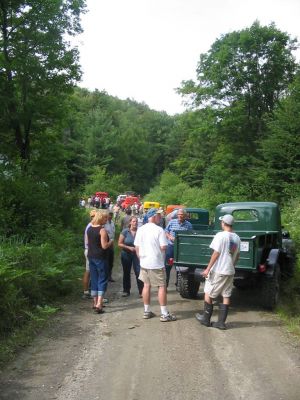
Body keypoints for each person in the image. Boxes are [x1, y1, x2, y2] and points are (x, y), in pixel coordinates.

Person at [195, 214, 240, 330]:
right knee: (226, 294)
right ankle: (221, 322)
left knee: (208, 292)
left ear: (223, 223)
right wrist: (232, 266)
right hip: (230, 271)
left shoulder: (220, 236)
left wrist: (207, 269)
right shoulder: (237, 238)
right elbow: (237, 255)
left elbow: (216, 253)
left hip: (219, 270)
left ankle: (205, 319)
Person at [134, 208, 176, 322]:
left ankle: (147, 311)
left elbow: (137, 247)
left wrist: (140, 259)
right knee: (161, 287)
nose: (160, 217)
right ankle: (164, 314)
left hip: (144, 262)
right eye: (158, 215)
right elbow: (163, 247)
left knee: (146, 286)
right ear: (153, 216)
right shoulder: (159, 230)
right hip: (156, 263)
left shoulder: (141, 229)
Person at [87, 210, 114, 313]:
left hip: (91, 256)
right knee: (102, 279)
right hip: (101, 257)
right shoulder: (102, 230)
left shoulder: (89, 228)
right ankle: (99, 304)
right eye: (105, 218)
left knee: (94, 278)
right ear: (100, 218)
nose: (106, 220)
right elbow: (104, 246)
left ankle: (94, 302)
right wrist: (110, 241)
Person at [164, 208, 193, 286]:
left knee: (180, 267)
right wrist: (170, 237)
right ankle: (165, 284)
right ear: (177, 215)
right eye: (179, 215)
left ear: (185, 216)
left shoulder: (189, 225)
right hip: (171, 247)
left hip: (181, 249)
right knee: (168, 265)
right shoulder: (172, 222)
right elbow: (166, 231)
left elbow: (190, 236)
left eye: (182, 215)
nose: (180, 216)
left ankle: (178, 284)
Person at [118, 216, 143, 297]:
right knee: (126, 272)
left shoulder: (140, 231)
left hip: (137, 254)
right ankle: (126, 290)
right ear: (130, 222)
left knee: (138, 272)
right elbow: (119, 243)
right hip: (126, 254)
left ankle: (141, 291)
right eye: (133, 221)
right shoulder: (125, 231)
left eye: (136, 221)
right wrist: (128, 247)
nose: (135, 223)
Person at [82, 209, 97, 299]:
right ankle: (87, 291)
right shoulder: (91, 226)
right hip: (90, 250)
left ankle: (87, 291)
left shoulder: (91, 225)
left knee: (89, 271)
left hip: (89, 250)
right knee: (89, 271)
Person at [105, 211, 116, 282]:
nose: (110, 216)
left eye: (111, 215)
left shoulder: (112, 222)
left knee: (111, 261)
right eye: (109, 215)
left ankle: (109, 276)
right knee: (106, 260)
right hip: (106, 243)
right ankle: (105, 276)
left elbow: (113, 232)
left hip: (111, 243)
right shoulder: (104, 223)